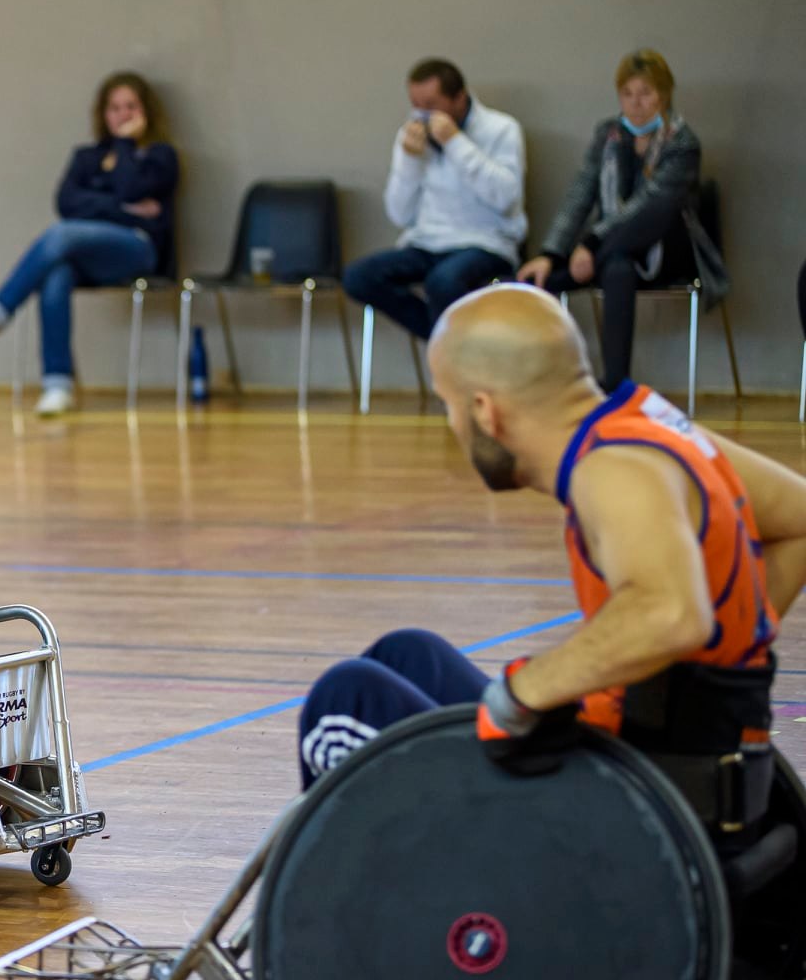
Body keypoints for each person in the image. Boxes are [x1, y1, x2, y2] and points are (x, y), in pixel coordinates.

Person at [296, 284, 796, 803]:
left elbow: (669, 614)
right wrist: (709, 675)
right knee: (406, 654)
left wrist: (524, 692)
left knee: (343, 700)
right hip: (675, 756)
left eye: (449, 405)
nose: (451, 423)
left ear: (485, 411)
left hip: (630, 796)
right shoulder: (655, 431)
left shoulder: (611, 472)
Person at [517, 49, 727, 392]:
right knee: (617, 267)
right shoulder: (609, 134)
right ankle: (616, 385)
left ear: (664, 95)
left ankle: (559, 278)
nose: (636, 103)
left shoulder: (683, 142)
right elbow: (581, 192)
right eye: (627, 94)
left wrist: (590, 244)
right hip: (614, 251)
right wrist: (551, 252)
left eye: (645, 93)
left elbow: (650, 206)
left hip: (668, 249)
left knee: (649, 218)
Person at [0, 71, 179, 417]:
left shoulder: (161, 156)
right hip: (89, 258)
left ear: (146, 111)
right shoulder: (87, 157)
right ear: (103, 113)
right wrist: (124, 209)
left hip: (138, 250)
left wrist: (125, 146)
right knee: (57, 273)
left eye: (131, 106)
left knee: (61, 234)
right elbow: (67, 202)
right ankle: (57, 385)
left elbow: (128, 188)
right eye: (115, 108)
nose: (123, 115)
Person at [341, 58, 527, 341]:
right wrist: (409, 161)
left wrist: (455, 142)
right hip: (427, 242)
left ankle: (450, 353)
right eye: (415, 104)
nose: (421, 114)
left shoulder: (502, 129)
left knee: (442, 282)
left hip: (486, 242)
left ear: (459, 98)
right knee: (358, 277)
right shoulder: (410, 135)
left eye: (430, 105)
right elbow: (399, 214)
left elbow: (505, 198)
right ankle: (450, 346)